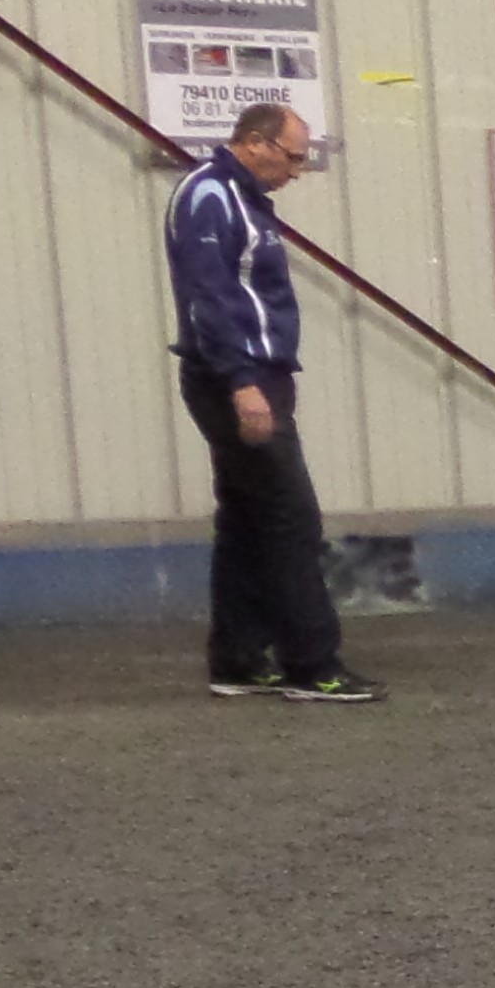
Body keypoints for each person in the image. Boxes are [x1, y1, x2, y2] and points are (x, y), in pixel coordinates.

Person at [164, 101, 383, 702]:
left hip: (256, 375)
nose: (295, 170)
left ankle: (236, 659)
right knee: (292, 517)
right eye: (291, 156)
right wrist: (242, 383)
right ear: (255, 143)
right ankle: (313, 664)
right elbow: (209, 298)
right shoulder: (209, 196)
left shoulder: (249, 203)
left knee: (246, 518)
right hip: (233, 379)